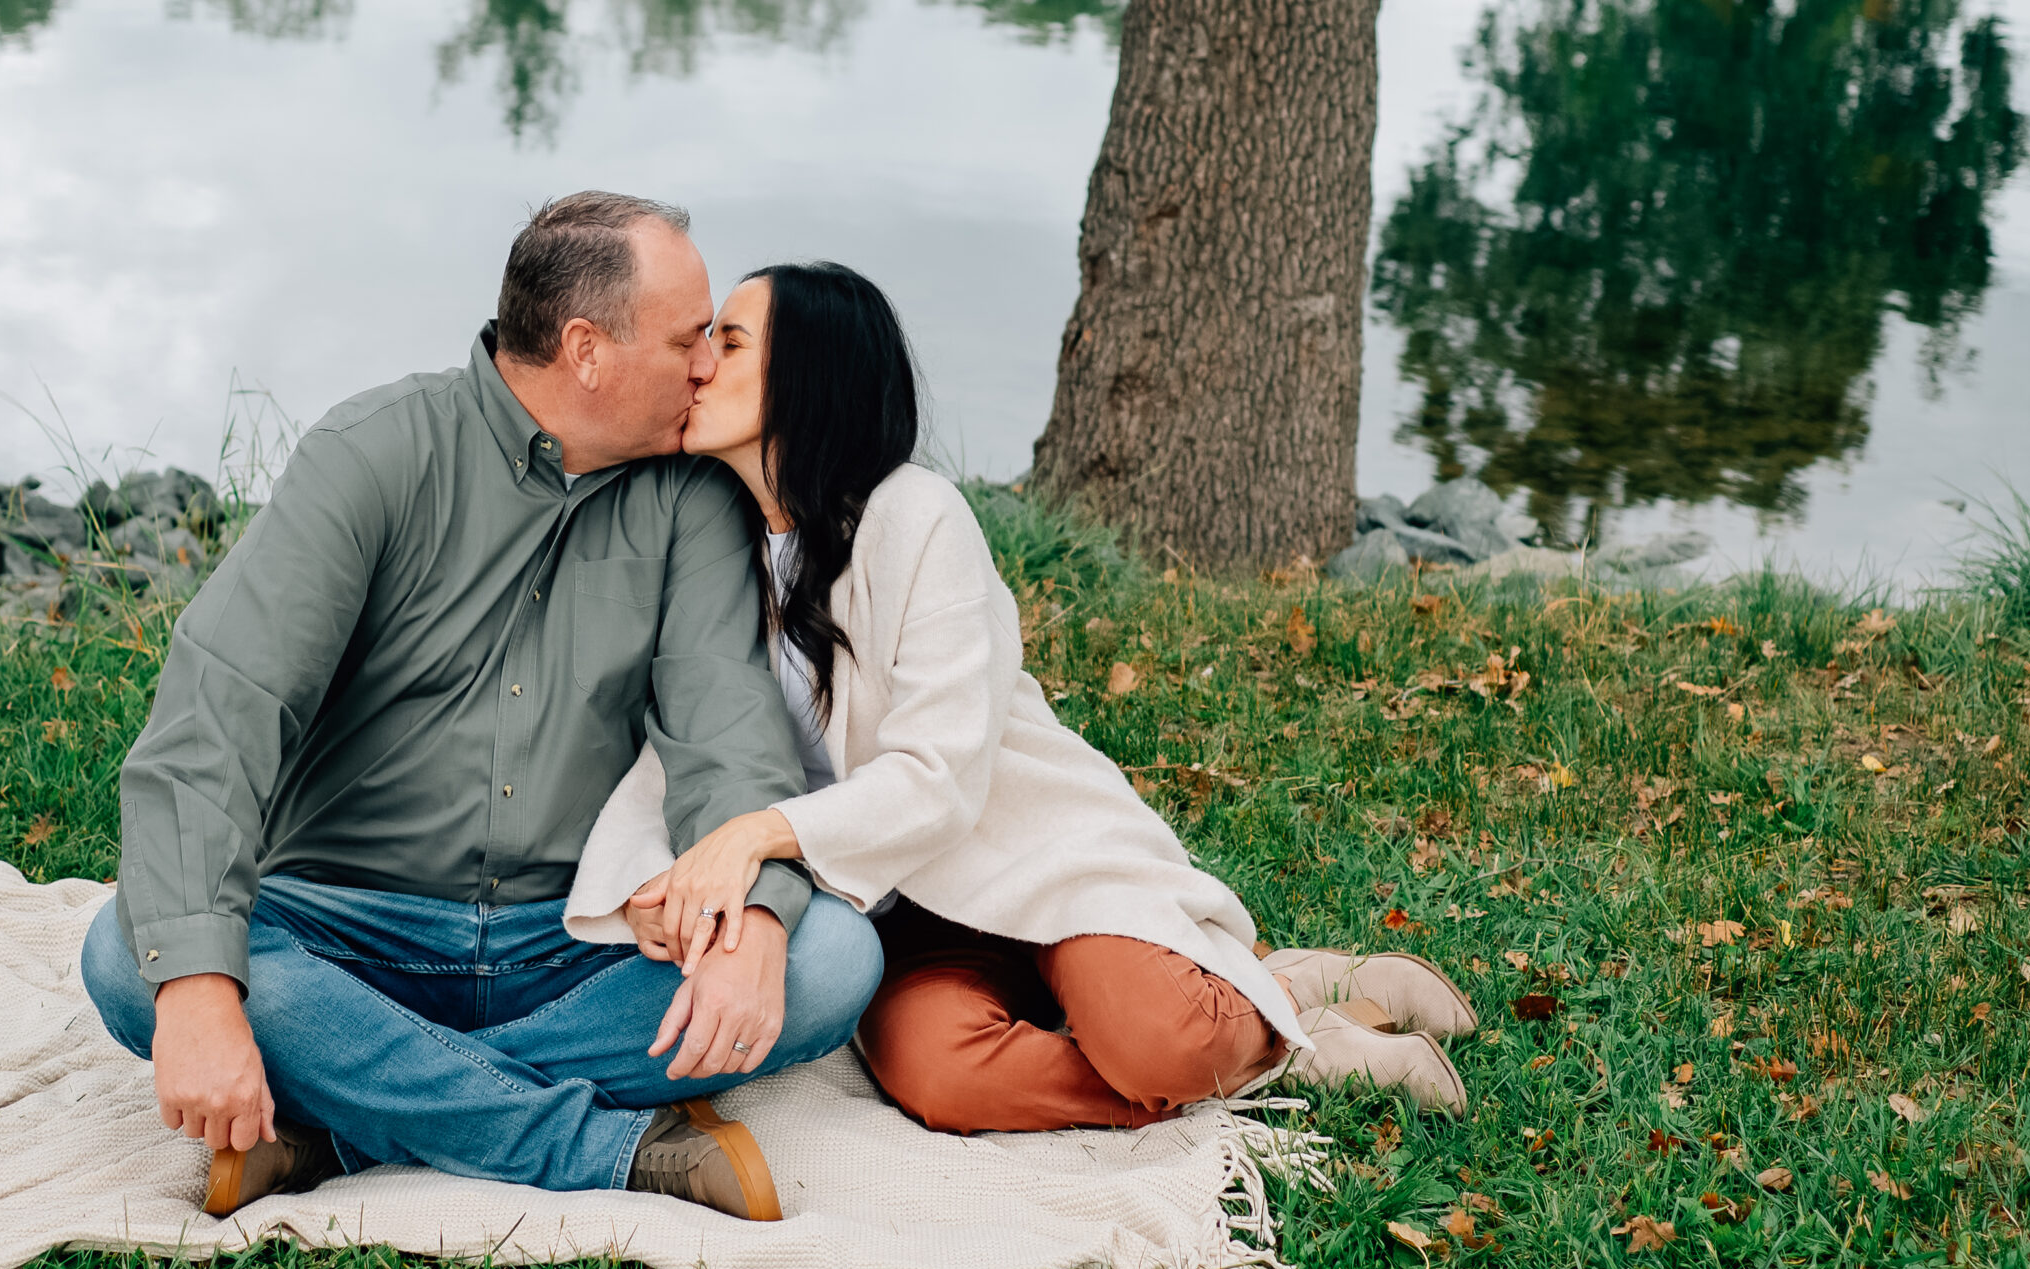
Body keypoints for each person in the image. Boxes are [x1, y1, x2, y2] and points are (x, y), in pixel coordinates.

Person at [80, 194, 884, 1223]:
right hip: (341, 927)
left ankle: (342, 1108)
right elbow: (213, 724)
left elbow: (727, 736)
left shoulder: (692, 502)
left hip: (574, 942)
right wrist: (198, 992)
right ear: (586, 351)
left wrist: (756, 917)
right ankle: (597, 1147)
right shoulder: (372, 454)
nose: (704, 367)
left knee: (825, 959)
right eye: (689, 338)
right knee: (131, 958)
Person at [567, 263, 1476, 1133]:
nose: (697, 363)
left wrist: (759, 834)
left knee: (1159, 1043)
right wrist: (653, 875)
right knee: (939, 1075)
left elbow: (938, 777)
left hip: (1028, 862)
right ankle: (1247, 1010)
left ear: (811, 375)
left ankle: (1280, 1021)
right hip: (908, 918)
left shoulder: (915, 517)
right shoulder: (716, 546)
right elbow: (680, 741)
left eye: (728, 341)